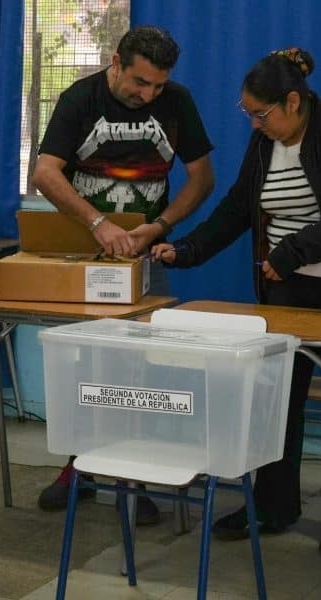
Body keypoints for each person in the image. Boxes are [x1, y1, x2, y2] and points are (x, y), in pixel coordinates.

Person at [151, 48, 321, 555]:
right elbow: (239, 208)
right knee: (275, 401)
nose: (254, 123)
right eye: (247, 114)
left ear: (293, 101)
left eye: (261, 114)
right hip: (287, 289)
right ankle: (272, 505)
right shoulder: (265, 142)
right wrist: (186, 250)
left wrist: (291, 252)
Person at [31, 25, 216, 523]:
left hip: (144, 257)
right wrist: (96, 223)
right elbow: (45, 173)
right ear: (116, 62)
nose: (148, 94)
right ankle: (79, 465)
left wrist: (160, 225)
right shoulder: (80, 100)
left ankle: (134, 474)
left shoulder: (177, 103)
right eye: (139, 82)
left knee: (138, 365)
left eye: (157, 85)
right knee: (83, 361)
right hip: (85, 256)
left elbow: (203, 178)